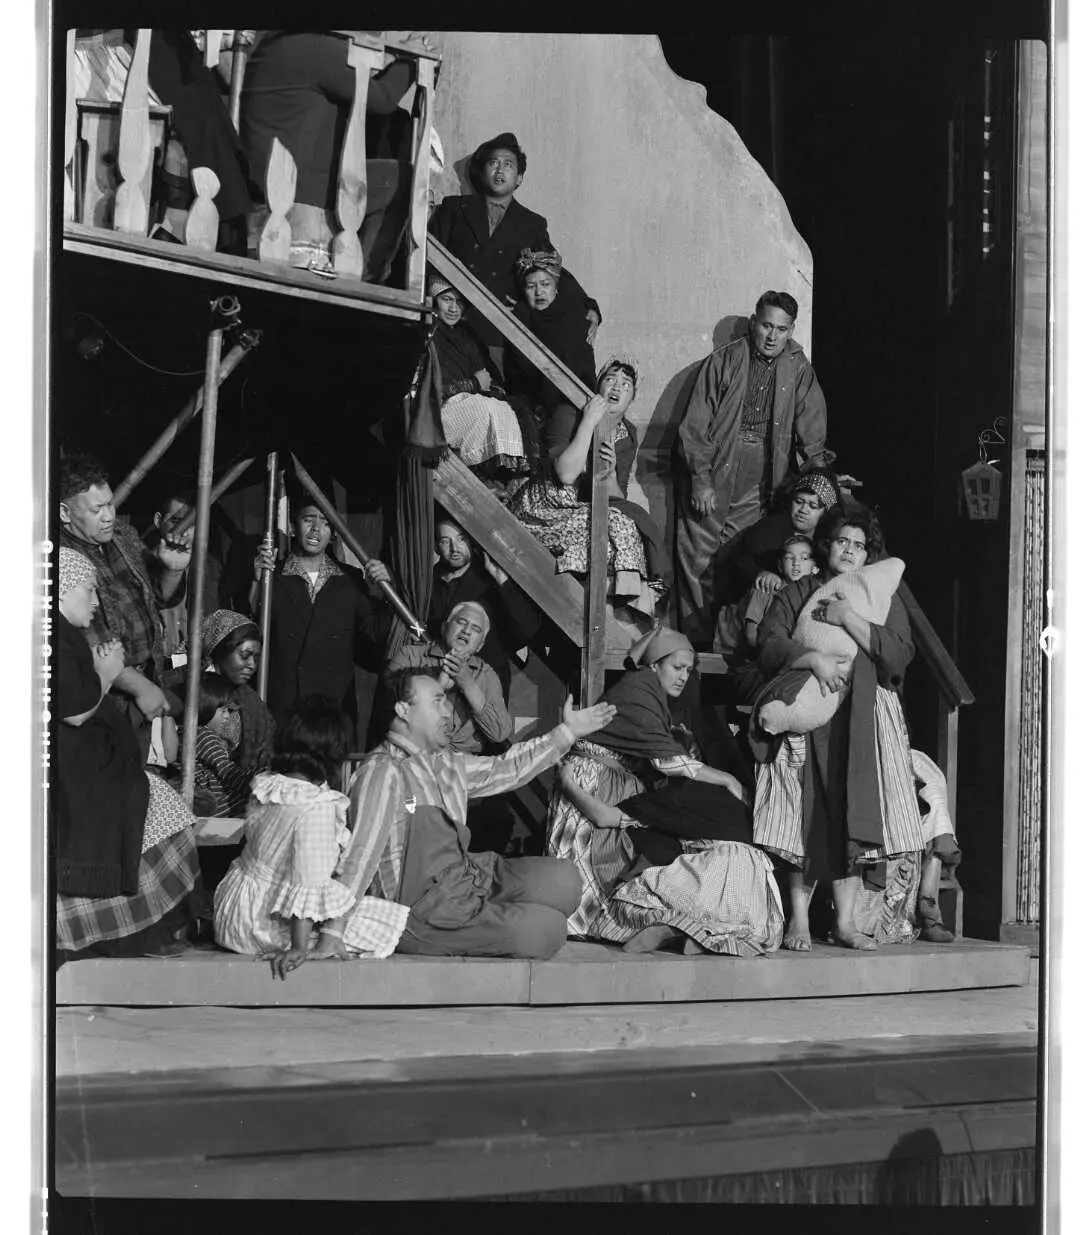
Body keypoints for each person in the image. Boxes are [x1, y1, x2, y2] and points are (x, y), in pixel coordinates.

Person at [320, 667, 615, 959]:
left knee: (564, 880)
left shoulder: (447, 764)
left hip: (467, 880)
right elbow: (361, 852)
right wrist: (334, 931)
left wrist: (567, 732)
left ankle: (491, 915)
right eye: (436, 701)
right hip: (424, 911)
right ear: (403, 710)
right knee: (547, 929)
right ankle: (489, 923)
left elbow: (506, 769)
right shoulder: (382, 771)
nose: (448, 712)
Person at [751, 501, 925, 951]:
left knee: (852, 810)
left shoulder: (879, 594)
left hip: (862, 713)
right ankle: (800, 921)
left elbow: (899, 652)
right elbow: (769, 641)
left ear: (870, 554)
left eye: (859, 545)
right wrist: (812, 658)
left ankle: (845, 923)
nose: (849, 551)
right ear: (827, 545)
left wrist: (848, 617)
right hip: (808, 705)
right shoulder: (801, 589)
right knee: (803, 813)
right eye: (842, 541)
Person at [546, 625, 782, 954]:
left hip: (610, 783)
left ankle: (627, 926)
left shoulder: (646, 690)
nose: (684, 676)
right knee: (589, 866)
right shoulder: (639, 690)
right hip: (594, 775)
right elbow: (669, 762)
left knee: (612, 869)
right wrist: (727, 779)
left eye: (689, 669)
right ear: (655, 664)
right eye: (677, 667)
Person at [55, 548, 200, 964]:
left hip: (90, 765)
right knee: (155, 803)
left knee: (160, 802)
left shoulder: (66, 636)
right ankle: (141, 931)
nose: (95, 601)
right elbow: (77, 712)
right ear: (62, 590)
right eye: (88, 590)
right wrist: (104, 673)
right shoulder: (55, 639)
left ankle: (153, 928)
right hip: (78, 774)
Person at [674, 291, 834, 645]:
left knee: (738, 557)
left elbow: (812, 440)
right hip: (717, 468)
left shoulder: (799, 369)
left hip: (762, 476)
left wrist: (825, 487)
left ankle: (725, 643)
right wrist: (701, 480)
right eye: (766, 326)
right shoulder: (724, 360)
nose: (773, 336)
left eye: (781, 329)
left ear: (791, 330)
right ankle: (694, 647)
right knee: (698, 559)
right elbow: (694, 428)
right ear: (753, 323)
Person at [214, 696, 409, 977]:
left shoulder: (269, 785)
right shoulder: (316, 806)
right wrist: (299, 947)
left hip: (232, 910)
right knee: (378, 923)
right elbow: (307, 880)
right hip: (260, 924)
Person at [240, 31, 416, 276]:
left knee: (395, 177)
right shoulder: (313, 46)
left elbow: (365, 89)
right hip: (296, 204)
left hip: (271, 197)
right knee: (400, 179)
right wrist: (411, 61)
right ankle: (362, 276)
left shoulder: (279, 43)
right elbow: (381, 98)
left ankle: (360, 273)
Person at [508, 356, 670, 621]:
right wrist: (589, 422)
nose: (617, 388)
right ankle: (617, 607)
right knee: (619, 526)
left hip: (587, 507)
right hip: (546, 505)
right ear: (598, 386)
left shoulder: (626, 434)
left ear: (632, 398)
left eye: (626, 385)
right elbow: (566, 473)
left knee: (623, 525)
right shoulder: (570, 413)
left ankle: (622, 609)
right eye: (611, 380)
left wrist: (612, 467)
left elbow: (617, 497)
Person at [429, 132, 601, 374]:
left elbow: (551, 270)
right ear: (482, 171)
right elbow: (427, 257)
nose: (500, 170)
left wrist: (587, 305)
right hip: (449, 326)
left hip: (496, 333)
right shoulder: (454, 209)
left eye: (508, 165)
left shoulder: (531, 224)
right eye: (493, 163)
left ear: (519, 178)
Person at [58, 454, 184, 761]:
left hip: (148, 678)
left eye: (111, 504)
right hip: (106, 696)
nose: (109, 515)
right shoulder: (65, 558)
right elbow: (89, 639)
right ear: (64, 512)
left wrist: (171, 570)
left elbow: (157, 597)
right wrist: (141, 688)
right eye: (97, 509)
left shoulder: (123, 538)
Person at [252, 501, 394, 737]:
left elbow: (373, 634)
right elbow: (251, 630)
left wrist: (387, 590)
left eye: (326, 522)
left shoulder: (350, 580)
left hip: (333, 711)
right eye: (309, 520)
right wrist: (257, 582)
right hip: (283, 709)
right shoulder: (272, 575)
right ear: (293, 527)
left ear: (334, 532)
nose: (317, 528)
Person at [428, 275, 540, 481]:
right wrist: (474, 384)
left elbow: (490, 374)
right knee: (485, 409)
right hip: (438, 410)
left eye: (459, 302)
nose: (454, 308)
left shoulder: (468, 334)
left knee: (509, 408)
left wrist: (491, 389)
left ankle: (506, 477)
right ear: (434, 301)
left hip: (473, 398)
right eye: (447, 300)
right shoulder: (429, 333)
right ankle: (480, 473)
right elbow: (431, 388)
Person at [429, 517, 542, 702]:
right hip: (438, 681)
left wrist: (501, 580)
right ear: (436, 546)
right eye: (445, 541)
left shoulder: (490, 578)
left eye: (461, 538)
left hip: (486, 685)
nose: (454, 548)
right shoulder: (427, 580)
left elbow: (529, 628)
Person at [385, 602, 513, 755]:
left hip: (462, 769)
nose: (466, 631)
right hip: (410, 758)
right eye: (461, 622)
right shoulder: (410, 656)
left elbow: (499, 733)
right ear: (444, 628)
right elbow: (389, 713)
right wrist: (439, 688)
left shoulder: (486, 675)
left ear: (480, 645)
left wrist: (468, 684)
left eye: (475, 629)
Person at [713, 533, 820, 703]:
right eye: (789, 557)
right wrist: (779, 654)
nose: (796, 563)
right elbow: (751, 635)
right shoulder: (766, 589)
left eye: (804, 558)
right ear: (779, 564)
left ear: (815, 567)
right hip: (758, 664)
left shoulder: (815, 595)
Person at [724, 466, 841, 605]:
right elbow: (739, 560)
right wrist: (760, 573)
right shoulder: (769, 530)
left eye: (813, 506)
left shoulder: (829, 537)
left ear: (825, 512)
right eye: (799, 502)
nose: (803, 510)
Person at [503, 249, 597, 416]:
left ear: (556, 287)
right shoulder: (519, 319)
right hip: (528, 405)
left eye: (546, 284)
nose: (539, 292)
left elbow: (577, 372)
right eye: (531, 286)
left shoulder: (573, 318)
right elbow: (517, 374)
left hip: (572, 404)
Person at [201, 610, 276, 777]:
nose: (251, 665)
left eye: (256, 658)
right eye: (245, 655)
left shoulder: (251, 701)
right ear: (220, 650)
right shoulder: (191, 689)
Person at [191, 672, 251, 819]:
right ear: (206, 707)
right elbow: (225, 769)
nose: (227, 717)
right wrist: (253, 785)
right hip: (225, 810)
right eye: (223, 710)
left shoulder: (191, 734)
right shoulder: (204, 735)